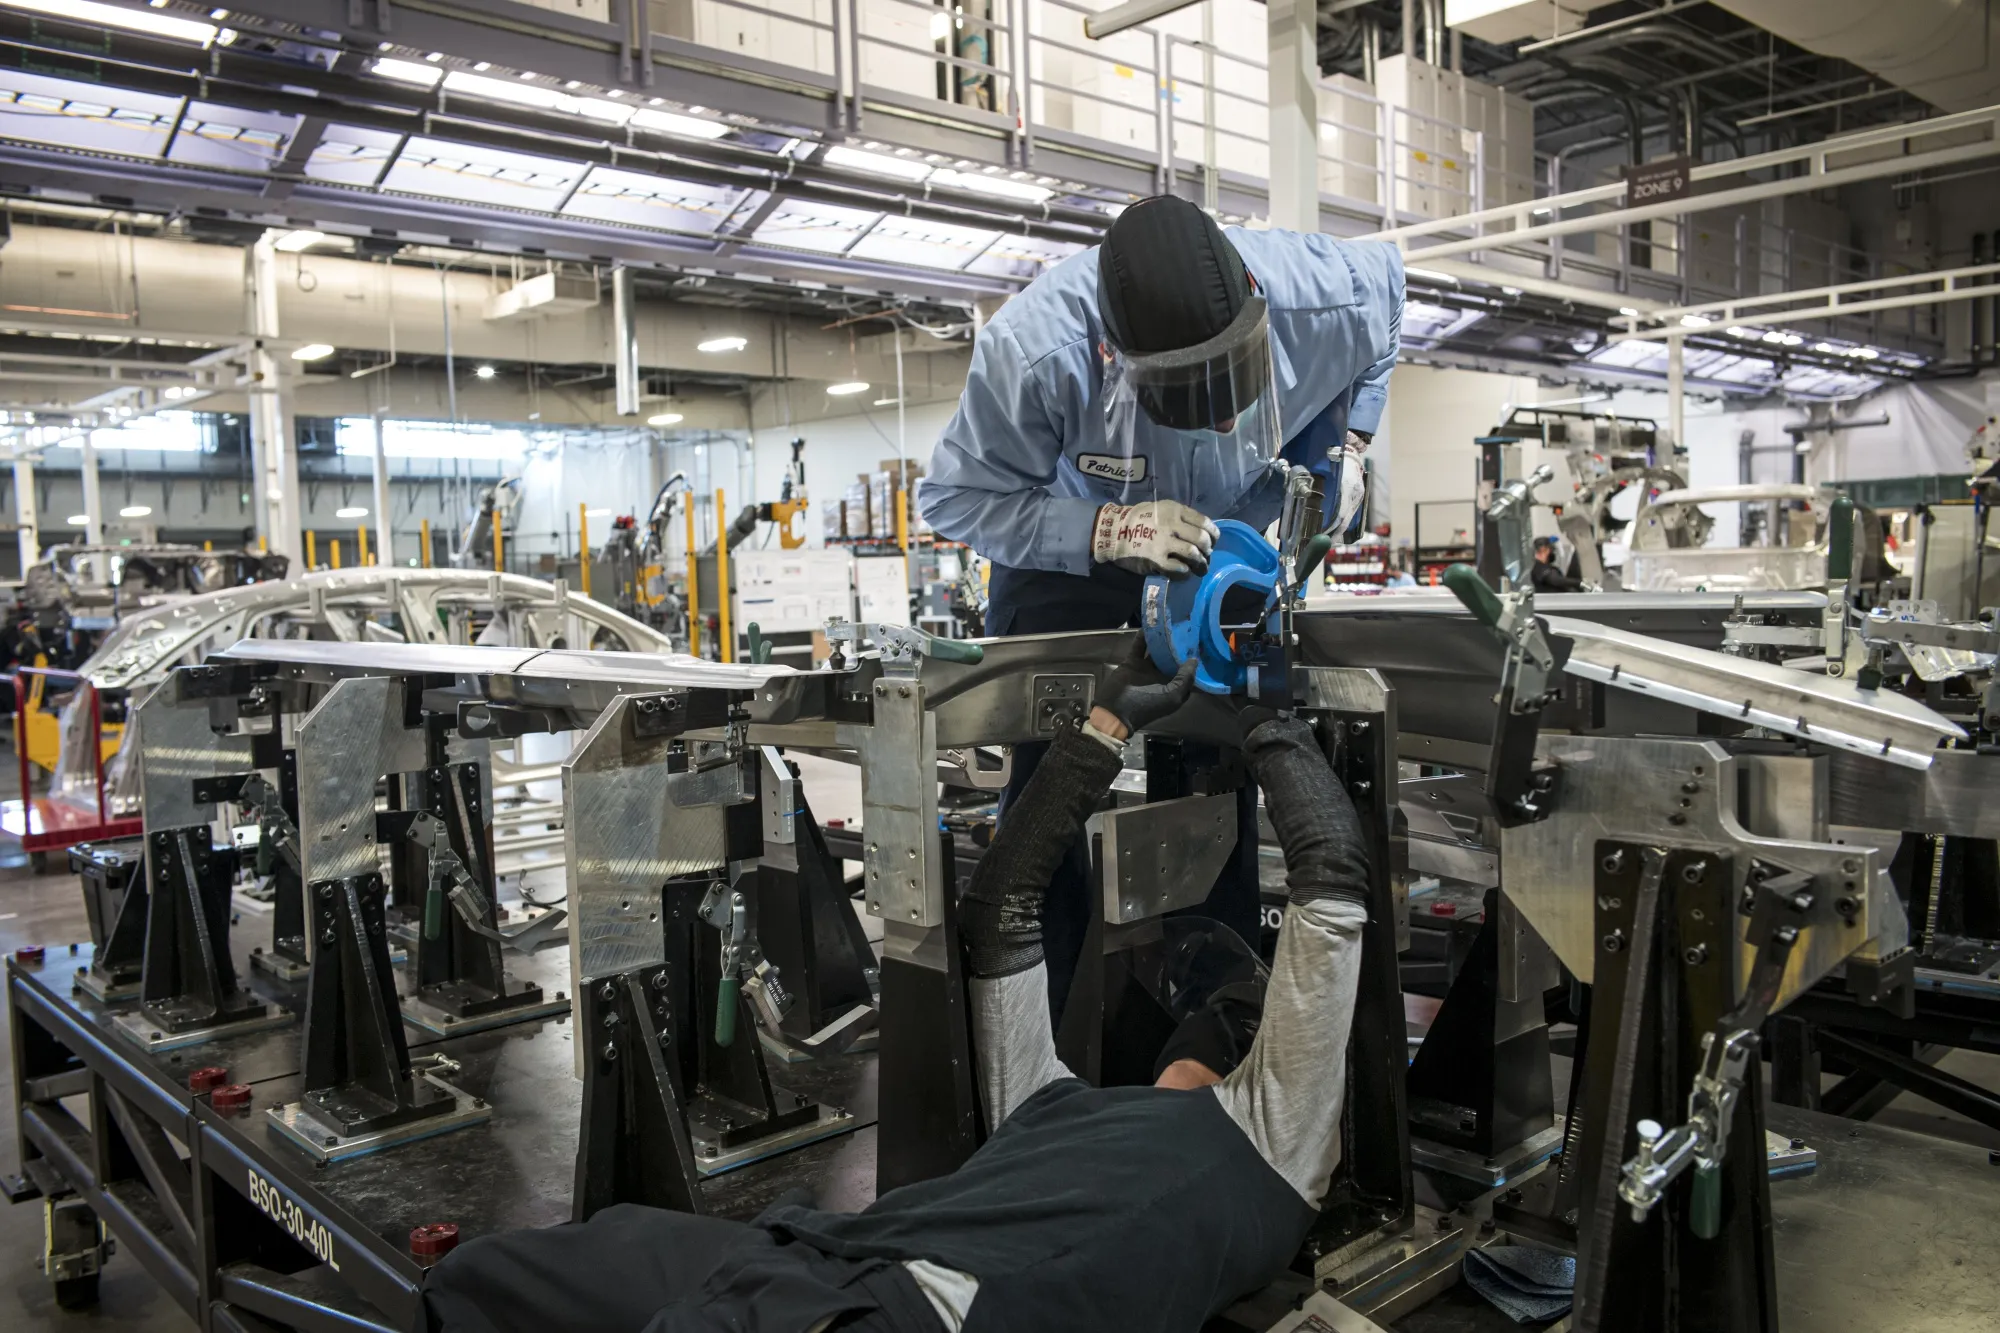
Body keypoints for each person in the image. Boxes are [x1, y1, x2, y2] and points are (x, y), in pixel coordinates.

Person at [424, 645, 1372, 1333]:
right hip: (812, 1253)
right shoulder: (1053, 1100)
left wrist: (1264, 705)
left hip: (908, 1313)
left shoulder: (1277, 1144)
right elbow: (1002, 907)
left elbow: (1331, 870)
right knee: (492, 1278)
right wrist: (1107, 724)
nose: (1183, 1044)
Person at [917, 194, 1403, 1016]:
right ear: (1116, 354)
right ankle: (1039, 1008)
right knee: (1054, 762)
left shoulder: (1330, 293)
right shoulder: (1035, 353)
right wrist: (1103, 526)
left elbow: (1393, 305)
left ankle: (1216, 1011)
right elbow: (957, 500)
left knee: (1229, 743)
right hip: (1074, 549)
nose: (1219, 416)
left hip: (1233, 542)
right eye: (1190, 393)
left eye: (1231, 381)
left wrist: (1352, 440)